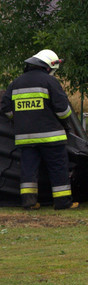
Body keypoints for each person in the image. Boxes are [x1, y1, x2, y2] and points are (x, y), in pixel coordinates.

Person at [0, 49, 77, 210]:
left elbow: (5, 107)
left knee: (28, 170)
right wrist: (65, 124)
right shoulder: (50, 82)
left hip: (25, 138)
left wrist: (18, 119)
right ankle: (62, 203)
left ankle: (28, 202)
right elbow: (63, 110)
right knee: (58, 168)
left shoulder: (16, 83)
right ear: (48, 67)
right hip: (52, 137)